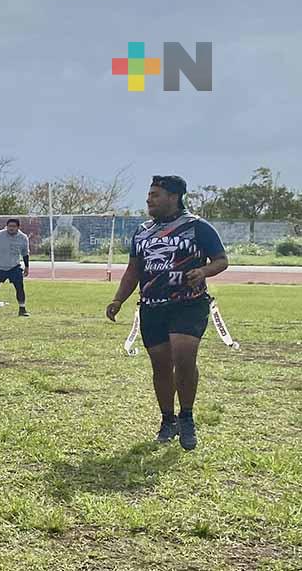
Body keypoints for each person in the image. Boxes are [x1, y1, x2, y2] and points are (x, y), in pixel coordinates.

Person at [106, 175, 228, 451]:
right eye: (149, 194)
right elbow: (134, 270)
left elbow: (222, 260)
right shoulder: (142, 231)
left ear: (173, 197)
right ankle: (167, 420)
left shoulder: (197, 227)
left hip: (188, 303)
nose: (149, 199)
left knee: (184, 357)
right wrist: (118, 300)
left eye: (155, 194)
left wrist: (203, 271)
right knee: (160, 365)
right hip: (152, 306)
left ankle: (186, 417)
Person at [0, 219, 31, 317]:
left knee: (20, 288)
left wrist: (27, 267)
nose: (11, 228)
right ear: (6, 226)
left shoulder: (23, 238)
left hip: (14, 267)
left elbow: (25, 253)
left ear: (18, 227)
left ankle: (22, 309)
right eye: (9, 226)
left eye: (13, 226)